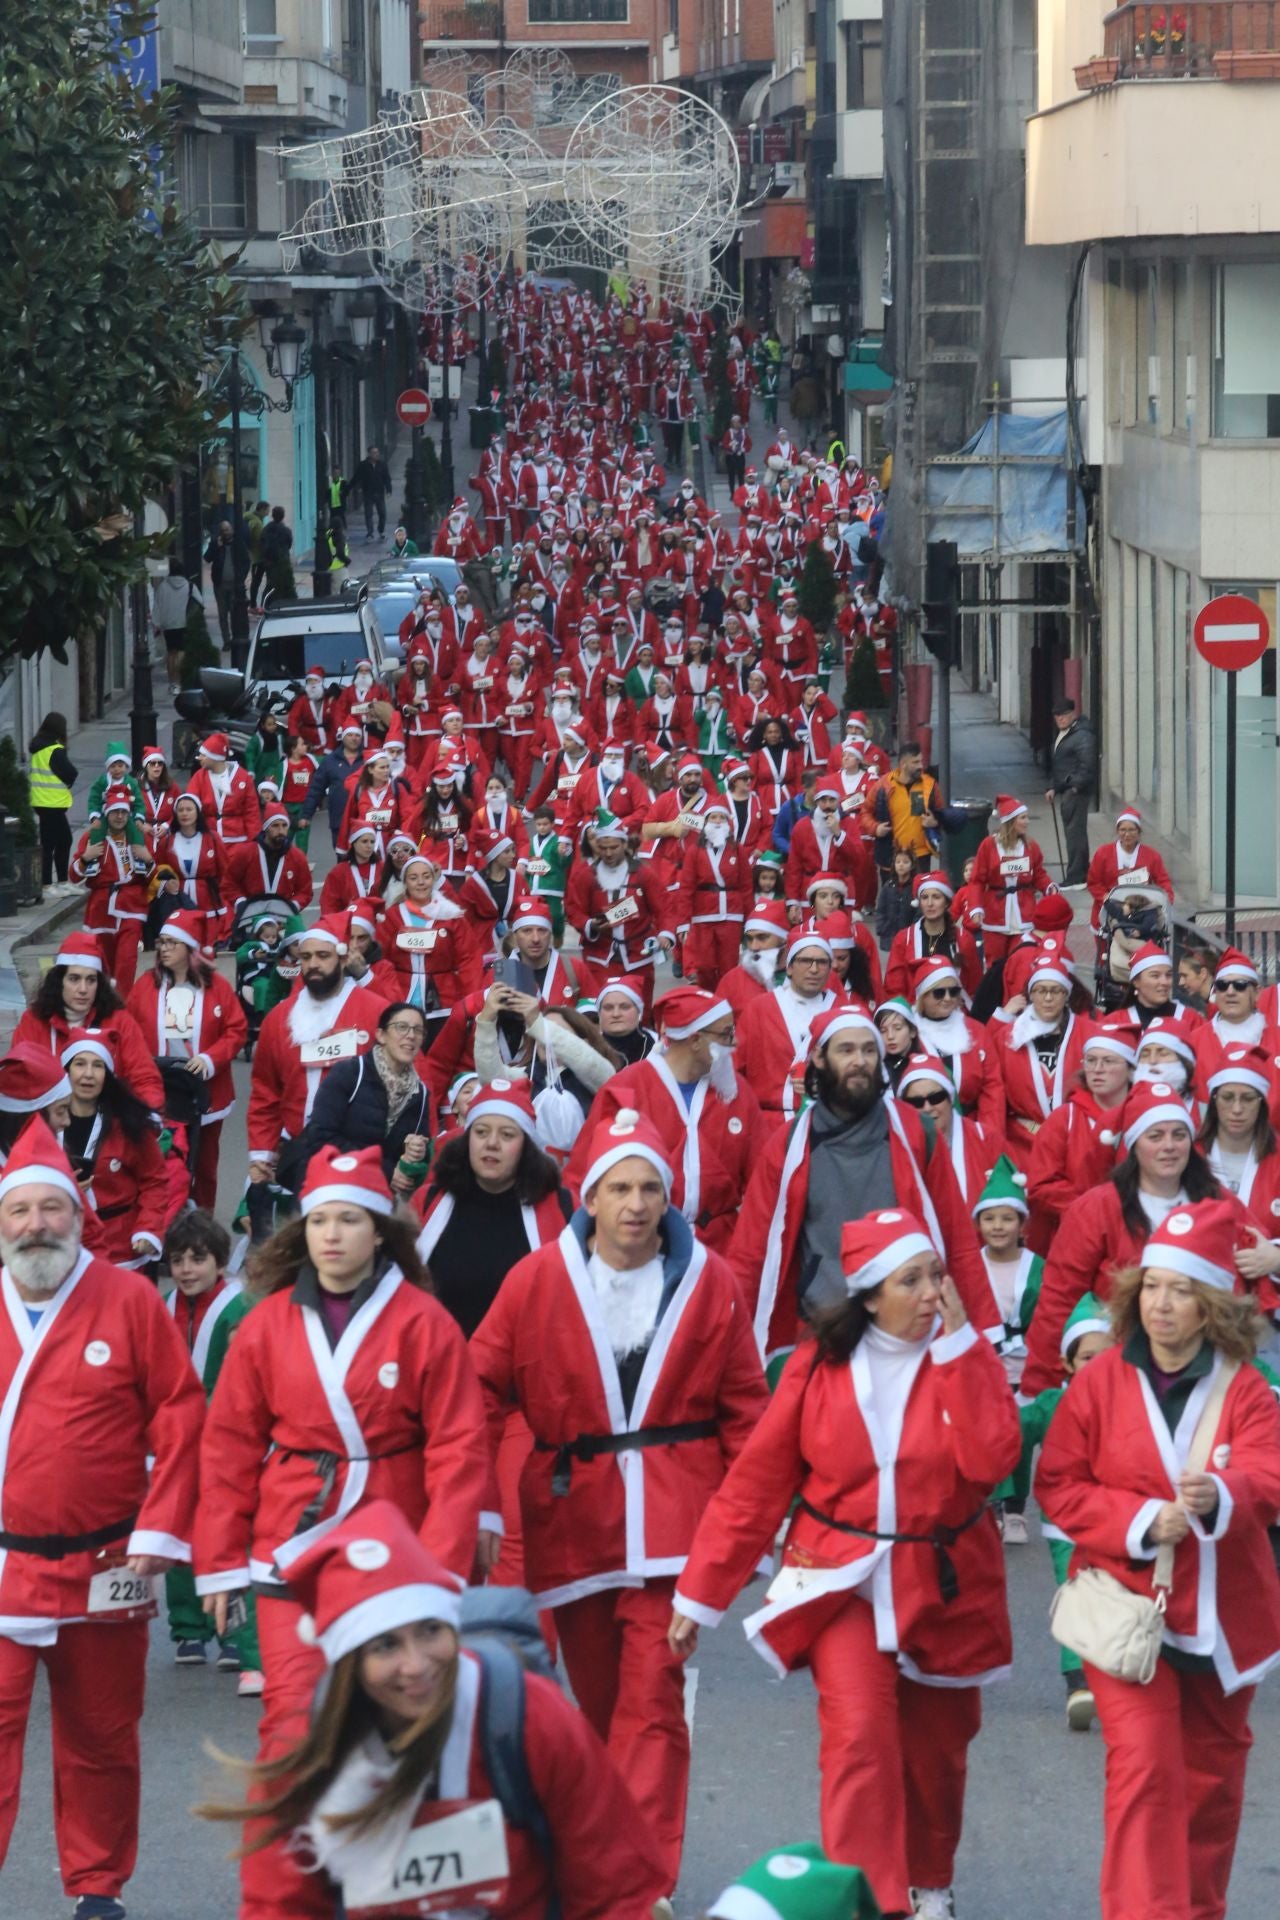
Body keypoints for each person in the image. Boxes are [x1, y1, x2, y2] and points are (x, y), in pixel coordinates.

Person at [670, 1209, 1021, 1920]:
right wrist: (699, 1594)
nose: (931, 1293)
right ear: (868, 1295)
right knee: (858, 1736)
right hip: (841, 1579)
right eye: (910, 1280)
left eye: (935, 1276)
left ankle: (929, 1878)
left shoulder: (961, 1354)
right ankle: (871, 1902)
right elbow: (756, 1485)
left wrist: (958, 1349)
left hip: (946, 1583)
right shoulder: (816, 1367)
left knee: (938, 1755)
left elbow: (993, 1460)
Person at [470, 1109, 768, 1891]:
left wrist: (751, 1539)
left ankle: (641, 1885)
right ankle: (602, 1859)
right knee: (600, 1711)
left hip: (676, 1527)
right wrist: (480, 1503)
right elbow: (475, 1390)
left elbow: (748, 1415)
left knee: (652, 1701)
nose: (636, 1204)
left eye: (649, 1189)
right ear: (590, 1198)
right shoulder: (535, 1281)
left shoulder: (713, 1281)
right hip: (573, 1521)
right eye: (619, 1188)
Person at [193, 1143, 492, 1920]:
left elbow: (460, 1445)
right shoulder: (263, 1326)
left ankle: (403, 1896)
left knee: (405, 1728)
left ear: (381, 1233)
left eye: (350, 1220)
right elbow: (225, 1445)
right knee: (293, 1727)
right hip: (290, 1547)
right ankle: (279, 1901)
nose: (332, 1235)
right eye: (320, 1219)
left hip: (399, 1551)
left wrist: (446, 1568)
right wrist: (220, 1566)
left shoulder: (424, 1323)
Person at [199, 1499, 667, 1920]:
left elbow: (613, 1893)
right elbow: (280, 1908)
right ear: (349, 1665)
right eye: (385, 1646)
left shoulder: (531, 1716)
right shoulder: (305, 1749)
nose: (416, 1664)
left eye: (430, 1631)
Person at [1037, 1199, 1280, 1920]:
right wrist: (1143, 1520)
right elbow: (1059, 1483)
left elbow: (1270, 1474)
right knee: (1143, 1769)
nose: (1160, 1303)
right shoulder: (1101, 1379)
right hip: (1124, 1607)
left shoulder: (1247, 1387)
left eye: (1178, 1290)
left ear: (1209, 1305)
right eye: (1150, 1286)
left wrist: (1223, 1493)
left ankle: (1197, 1910)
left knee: (1211, 1783)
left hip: (1223, 1618)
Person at [0, 1118, 204, 1919]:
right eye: (20, 1212)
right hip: (4, 1566)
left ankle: (97, 1888)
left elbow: (182, 1417)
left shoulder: (126, 1300)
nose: (36, 1226)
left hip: (108, 1565)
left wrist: (159, 1533)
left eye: (52, 1210)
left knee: (102, 1737)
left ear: (79, 1216)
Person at [732, 1005, 1001, 1367]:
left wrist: (984, 1332)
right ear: (820, 1058)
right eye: (846, 1050)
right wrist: (732, 1339)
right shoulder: (789, 1145)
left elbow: (955, 1236)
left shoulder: (916, 1133)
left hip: (907, 1330)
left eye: (869, 1050)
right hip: (822, 1330)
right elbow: (753, 1251)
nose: (860, 1060)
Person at [1021, 1079, 1248, 1396]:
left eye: (1178, 1135)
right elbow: (1058, 1300)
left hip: (1206, 1365)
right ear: (1134, 1144)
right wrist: (1039, 1387)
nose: (1169, 1145)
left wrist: (1271, 1256)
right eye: (1155, 1136)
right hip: (1120, 1367)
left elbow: (1254, 1258)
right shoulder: (1096, 1207)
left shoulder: (1217, 1201)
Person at [564, 986, 759, 1255]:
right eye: (726, 1035)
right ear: (695, 1040)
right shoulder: (627, 1088)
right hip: (643, 1246)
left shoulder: (735, 1091)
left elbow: (761, 1178)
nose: (733, 1044)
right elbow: (582, 1175)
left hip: (721, 1247)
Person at [161, 1211, 261, 1695]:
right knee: (178, 1533)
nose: (186, 1269)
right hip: (173, 1441)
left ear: (220, 1261)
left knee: (230, 1536)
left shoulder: (239, 1307)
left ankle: (236, 1635)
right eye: (177, 1260)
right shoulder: (162, 1306)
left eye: (197, 1259)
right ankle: (188, 1627)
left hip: (225, 1440)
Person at [245, 919, 387, 1203]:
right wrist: (262, 1153)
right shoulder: (279, 1018)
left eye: (323, 956)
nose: (312, 964)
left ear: (343, 958)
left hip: (360, 1153)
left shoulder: (375, 1011)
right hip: (296, 1153)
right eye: (306, 957)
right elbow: (265, 1092)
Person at [126, 909, 248, 1211]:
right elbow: (127, 1033)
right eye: (161, 942)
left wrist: (210, 1058)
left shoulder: (216, 987)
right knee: (162, 1160)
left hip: (206, 1092)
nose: (164, 948)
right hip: (160, 1091)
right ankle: (162, 1220)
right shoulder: (145, 986)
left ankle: (202, 1222)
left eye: (171, 943)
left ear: (189, 948)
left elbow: (237, 1029)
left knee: (205, 1166)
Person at [60, 1027, 172, 1270]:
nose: (88, 1074)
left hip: (120, 1252)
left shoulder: (130, 1125)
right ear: (67, 1070)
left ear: (108, 1074)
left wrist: (147, 1229)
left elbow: (155, 1181)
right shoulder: (46, 1124)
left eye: (98, 1066)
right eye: (80, 1064)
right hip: (60, 1249)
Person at [14, 934, 163, 1111]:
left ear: (99, 984)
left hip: (109, 1125)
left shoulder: (120, 1021)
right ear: (59, 981)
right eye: (74, 979)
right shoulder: (34, 1020)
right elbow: (18, 1080)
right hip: (49, 1125)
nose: (83, 989)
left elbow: (145, 1078)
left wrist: (150, 1117)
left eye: (91, 980)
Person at [302, 1001, 433, 1195]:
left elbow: (412, 1169)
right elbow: (320, 1136)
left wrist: (416, 1155)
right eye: (401, 1027)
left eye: (418, 1030)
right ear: (380, 1035)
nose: (411, 1035)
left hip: (378, 1199)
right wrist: (384, 1171)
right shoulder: (350, 1073)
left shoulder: (419, 1094)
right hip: (333, 1187)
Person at [1025, 1025, 1135, 1240]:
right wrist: (1091, 1209)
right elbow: (1040, 1184)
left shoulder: (1143, 1117)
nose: (1097, 1069)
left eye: (1108, 1061)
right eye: (1091, 1061)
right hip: (1077, 1232)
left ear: (1131, 1069)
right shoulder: (1065, 1118)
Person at [735, 926, 842, 1132]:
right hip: (768, 1124)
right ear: (790, 967)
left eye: (821, 962)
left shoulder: (842, 1011)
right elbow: (735, 1068)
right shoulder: (760, 1008)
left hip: (827, 1123)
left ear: (830, 968)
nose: (813, 969)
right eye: (804, 961)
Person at [969, 796, 1056, 963]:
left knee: (1022, 960)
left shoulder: (1031, 846)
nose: (1027, 822)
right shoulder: (988, 846)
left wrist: (1048, 887)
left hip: (1024, 912)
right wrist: (976, 908)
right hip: (995, 913)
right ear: (1010, 821)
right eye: (1023, 818)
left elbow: (1038, 874)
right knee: (995, 964)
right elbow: (977, 880)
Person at [1086, 804, 1175, 928]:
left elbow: (1163, 880)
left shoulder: (1152, 856)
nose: (1127, 834)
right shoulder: (1103, 853)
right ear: (1117, 831)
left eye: (1131, 830)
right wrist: (1105, 897)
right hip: (1110, 907)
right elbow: (1093, 882)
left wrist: (1166, 899)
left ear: (1138, 832)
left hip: (1141, 908)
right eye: (1123, 830)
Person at [1046, 696, 1097, 887]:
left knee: (1075, 833)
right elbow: (1061, 764)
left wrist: (1073, 786)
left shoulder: (1082, 736)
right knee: (1072, 833)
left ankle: (1076, 875)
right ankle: (1079, 871)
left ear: (1073, 714)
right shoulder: (1065, 734)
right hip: (1067, 789)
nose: (1060, 719)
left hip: (1075, 792)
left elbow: (1087, 766)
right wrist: (1054, 786)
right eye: (1057, 716)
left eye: (1064, 715)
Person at [27, 708, 77, 892]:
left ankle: (58, 882)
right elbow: (70, 773)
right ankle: (50, 884)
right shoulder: (54, 750)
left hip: (42, 801)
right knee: (60, 842)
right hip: (52, 803)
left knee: (54, 842)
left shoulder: (37, 748)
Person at [151, 558, 197, 693]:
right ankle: (180, 681)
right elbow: (199, 603)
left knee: (171, 653)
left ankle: (173, 682)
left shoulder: (163, 586)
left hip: (168, 624)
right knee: (182, 653)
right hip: (184, 623)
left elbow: (157, 605)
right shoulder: (190, 586)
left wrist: (157, 624)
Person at [204, 518, 249, 647]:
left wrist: (241, 578)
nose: (226, 532)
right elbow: (207, 558)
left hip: (235, 584)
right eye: (223, 530)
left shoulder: (238, 544)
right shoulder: (216, 543)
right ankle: (226, 640)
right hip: (220, 584)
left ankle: (236, 637)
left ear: (232, 530)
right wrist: (216, 547)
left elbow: (246, 562)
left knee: (235, 612)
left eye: (228, 529)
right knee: (222, 614)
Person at [354, 444, 393, 541]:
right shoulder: (364, 465)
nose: (376, 454)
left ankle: (381, 530)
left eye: (377, 452)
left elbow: (387, 478)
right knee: (368, 514)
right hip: (368, 493)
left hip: (379, 492)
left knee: (382, 513)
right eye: (374, 453)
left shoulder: (382, 464)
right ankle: (370, 532)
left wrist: (389, 490)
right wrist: (358, 487)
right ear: (370, 454)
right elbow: (358, 477)